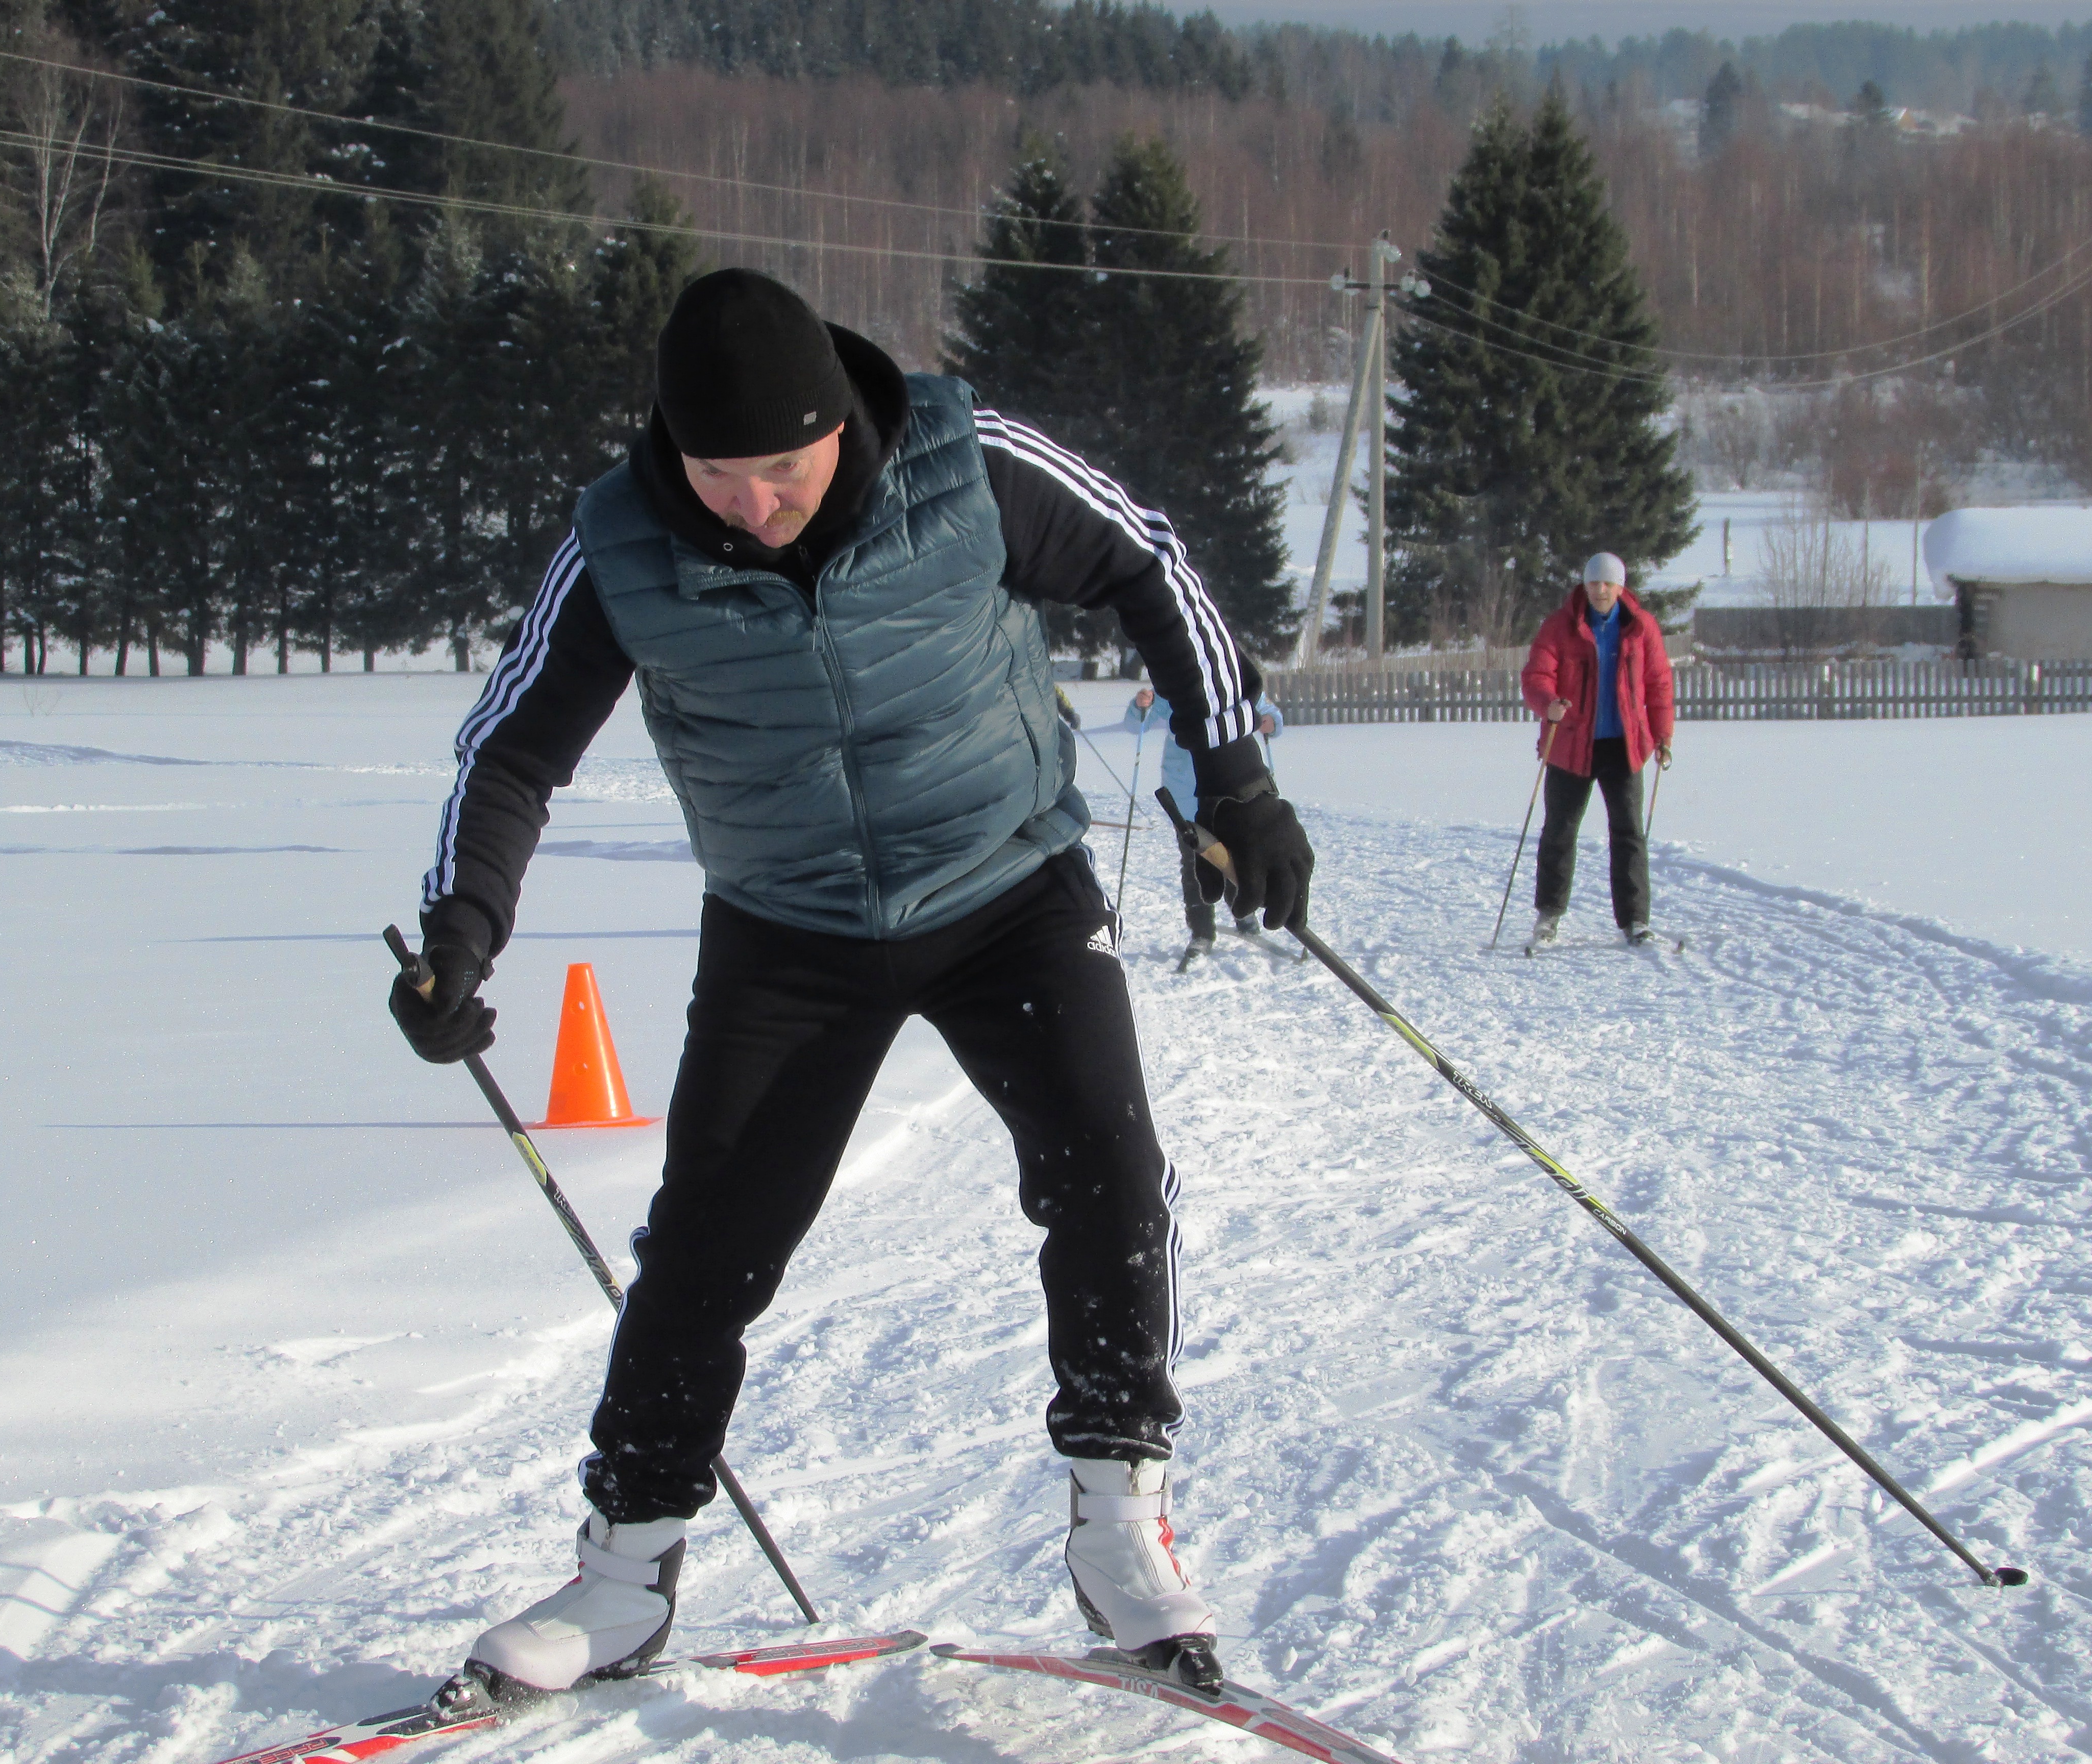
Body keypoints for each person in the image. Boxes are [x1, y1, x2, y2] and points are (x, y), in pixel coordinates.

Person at [388, 268, 1313, 1705]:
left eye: (781, 469)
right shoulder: (620, 539)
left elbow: (1150, 558)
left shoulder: (969, 463)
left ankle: (1122, 1522)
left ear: (840, 426)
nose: (749, 503)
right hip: (792, 925)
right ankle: (624, 1574)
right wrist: (463, 930)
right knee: (707, 1244)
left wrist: (1237, 774)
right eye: (715, 472)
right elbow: (514, 747)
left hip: (1008, 886)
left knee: (1109, 1169)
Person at [1518, 552, 1673, 947]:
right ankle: (1549, 916)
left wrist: (1663, 736)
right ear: (1585, 585)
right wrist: (1549, 704)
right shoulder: (1560, 626)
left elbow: (1658, 684)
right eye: (1594, 583)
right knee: (1560, 830)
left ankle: (1636, 921)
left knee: (1629, 833)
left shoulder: (1641, 628)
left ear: (1621, 587)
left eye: (1608, 584)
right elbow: (1537, 675)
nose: (1600, 591)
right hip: (1571, 744)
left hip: (1625, 746)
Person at [1125, 685, 1282, 953]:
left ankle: (1244, 915)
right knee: (1194, 864)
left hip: (1231, 791)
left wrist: (1270, 723)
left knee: (1237, 857)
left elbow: (1265, 710)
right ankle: (1202, 932)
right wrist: (1141, 705)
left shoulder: (1235, 681)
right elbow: (1137, 723)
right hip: (1186, 794)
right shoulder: (1173, 683)